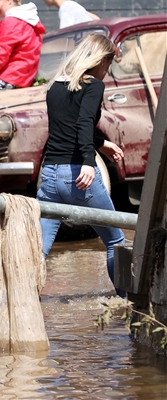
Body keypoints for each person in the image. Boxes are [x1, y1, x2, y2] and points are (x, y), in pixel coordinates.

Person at [37, 33, 125, 296]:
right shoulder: (94, 85)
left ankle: (21, 298)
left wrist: (100, 143)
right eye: (108, 63)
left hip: (50, 175)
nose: (107, 71)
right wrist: (88, 162)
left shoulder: (55, 85)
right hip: (77, 174)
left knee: (39, 248)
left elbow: (66, 125)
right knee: (116, 241)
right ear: (100, 59)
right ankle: (130, 304)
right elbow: (84, 121)